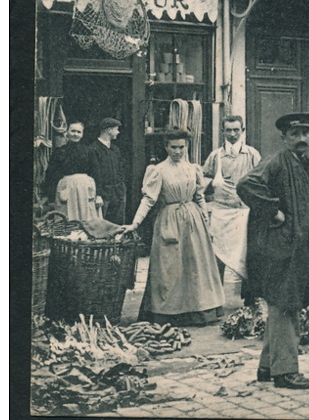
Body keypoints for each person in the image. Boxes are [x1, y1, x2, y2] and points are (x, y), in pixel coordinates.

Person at [237, 113, 309, 389]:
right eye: (295, 133)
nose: (301, 138)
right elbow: (246, 184)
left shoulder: (304, 164)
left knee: (283, 306)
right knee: (285, 306)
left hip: (298, 248)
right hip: (281, 249)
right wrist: (273, 211)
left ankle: (267, 366)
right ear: (283, 136)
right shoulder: (276, 160)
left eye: (306, 133)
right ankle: (286, 372)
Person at [123, 129, 225, 326]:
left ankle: (198, 312)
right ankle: (168, 313)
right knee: (169, 267)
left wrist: (206, 221)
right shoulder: (158, 170)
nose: (178, 151)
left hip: (193, 220)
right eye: (173, 147)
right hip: (169, 220)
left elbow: (199, 197)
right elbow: (148, 199)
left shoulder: (193, 168)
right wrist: (135, 223)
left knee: (196, 266)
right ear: (166, 147)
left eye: (182, 147)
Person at [201, 115, 261, 294]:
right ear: (223, 132)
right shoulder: (216, 156)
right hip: (221, 212)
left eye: (236, 130)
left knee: (247, 255)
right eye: (229, 130)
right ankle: (215, 298)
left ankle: (250, 298)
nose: (233, 134)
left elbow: (261, 180)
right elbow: (203, 178)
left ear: (243, 131)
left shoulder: (252, 154)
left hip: (244, 211)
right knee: (217, 256)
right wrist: (212, 183)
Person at [42, 121, 98, 221]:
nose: (75, 134)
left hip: (85, 188)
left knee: (86, 217)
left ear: (82, 134)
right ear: (67, 132)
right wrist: (50, 195)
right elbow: (51, 174)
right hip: (66, 188)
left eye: (78, 132)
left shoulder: (89, 151)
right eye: (72, 131)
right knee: (66, 216)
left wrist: (98, 195)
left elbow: (96, 173)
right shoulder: (59, 152)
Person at [87, 117, 127, 224]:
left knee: (118, 225)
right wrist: (98, 195)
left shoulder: (115, 149)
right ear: (109, 130)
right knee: (102, 225)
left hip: (118, 193)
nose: (118, 132)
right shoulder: (93, 149)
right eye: (116, 129)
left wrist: (122, 189)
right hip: (104, 195)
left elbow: (120, 170)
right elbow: (95, 173)